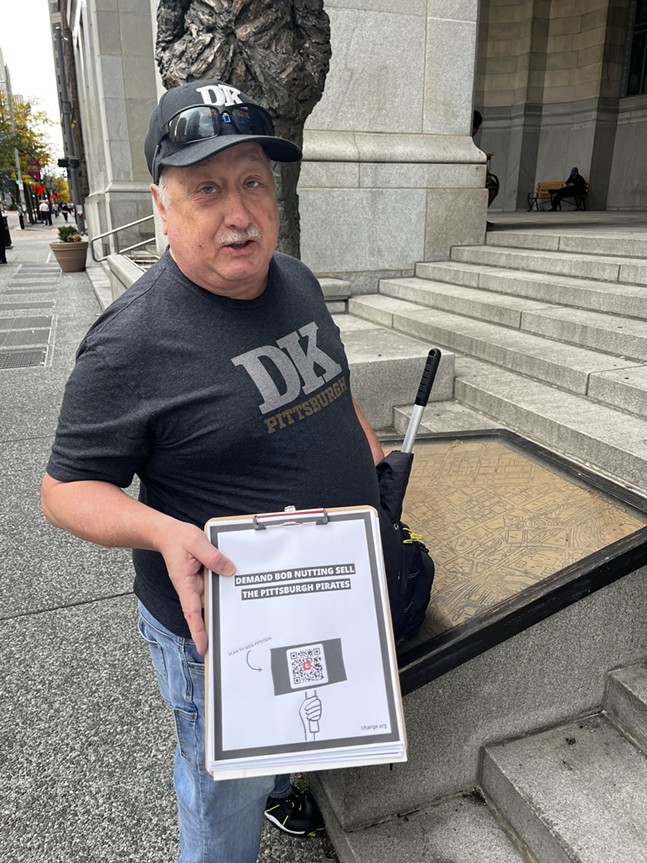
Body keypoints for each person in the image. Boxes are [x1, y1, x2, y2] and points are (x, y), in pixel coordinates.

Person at [41, 78, 386, 863]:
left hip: (317, 593)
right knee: (219, 793)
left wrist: (366, 456)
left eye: (253, 182)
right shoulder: (130, 342)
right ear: (163, 208)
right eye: (206, 189)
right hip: (218, 625)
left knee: (286, 740)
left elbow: (333, 385)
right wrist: (161, 530)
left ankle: (277, 786)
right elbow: (62, 490)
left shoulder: (293, 278)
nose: (240, 213)